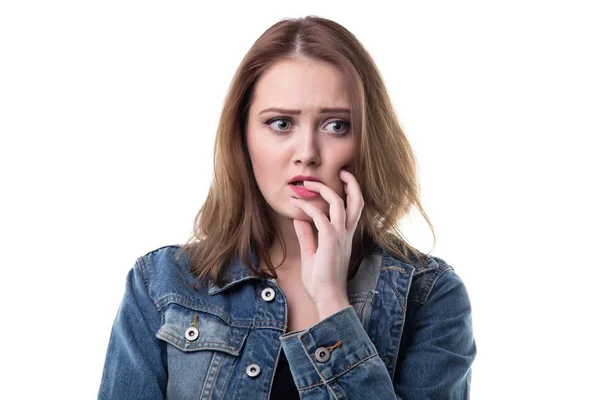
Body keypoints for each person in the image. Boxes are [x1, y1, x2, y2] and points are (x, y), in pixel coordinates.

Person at [98, 15, 476, 399]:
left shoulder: (429, 297)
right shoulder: (161, 285)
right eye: (281, 124)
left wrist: (331, 304)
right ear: (243, 137)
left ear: (367, 139)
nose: (307, 153)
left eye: (336, 126)